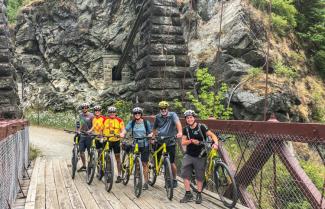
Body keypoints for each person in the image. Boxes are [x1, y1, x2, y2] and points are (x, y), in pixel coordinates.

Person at [180, 109, 219, 204]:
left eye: (191, 117)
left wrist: (216, 144)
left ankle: (199, 193)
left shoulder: (202, 127)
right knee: (185, 173)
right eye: (187, 118)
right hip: (189, 154)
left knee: (200, 176)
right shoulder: (185, 129)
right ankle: (188, 193)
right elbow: (183, 142)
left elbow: (213, 135)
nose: (189, 119)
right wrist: (191, 141)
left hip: (201, 155)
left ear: (194, 118)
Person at [120, 107, 153, 190]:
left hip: (144, 144)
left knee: (145, 164)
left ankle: (145, 182)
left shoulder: (146, 122)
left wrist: (150, 135)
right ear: (134, 115)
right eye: (135, 113)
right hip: (135, 144)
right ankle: (137, 177)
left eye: (138, 113)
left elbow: (150, 132)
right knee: (137, 164)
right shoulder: (132, 122)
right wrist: (122, 134)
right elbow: (126, 129)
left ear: (141, 114)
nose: (137, 114)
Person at [152, 101, 182, 188]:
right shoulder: (158, 117)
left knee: (171, 162)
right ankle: (155, 170)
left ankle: (174, 179)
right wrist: (153, 137)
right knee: (156, 158)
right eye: (161, 109)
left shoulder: (173, 115)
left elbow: (178, 123)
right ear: (160, 109)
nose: (163, 110)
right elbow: (154, 128)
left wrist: (180, 132)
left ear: (167, 109)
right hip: (160, 140)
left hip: (170, 140)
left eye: (165, 108)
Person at [102, 106, 125, 183]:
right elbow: (101, 129)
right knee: (107, 158)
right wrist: (101, 135)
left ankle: (119, 175)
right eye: (110, 112)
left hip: (116, 141)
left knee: (118, 158)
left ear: (115, 113)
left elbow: (123, 129)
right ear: (108, 113)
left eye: (113, 112)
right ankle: (108, 173)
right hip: (107, 140)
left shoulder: (119, 120)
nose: (112, 113)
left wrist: (122, 133)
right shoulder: (104, 120)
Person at [77, 102, 94, 172]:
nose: (84, 109)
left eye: (86, 107)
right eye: (83, 108)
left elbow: (94, 125)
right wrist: (78, 130)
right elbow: (80, 123)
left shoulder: (92, 115)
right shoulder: (80, 115)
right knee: (81, 151)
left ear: (88, 108)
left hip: (89, 136)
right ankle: (84, 165)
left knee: (89, 152)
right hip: (82, 135)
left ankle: (90, 165)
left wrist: (90, 131)